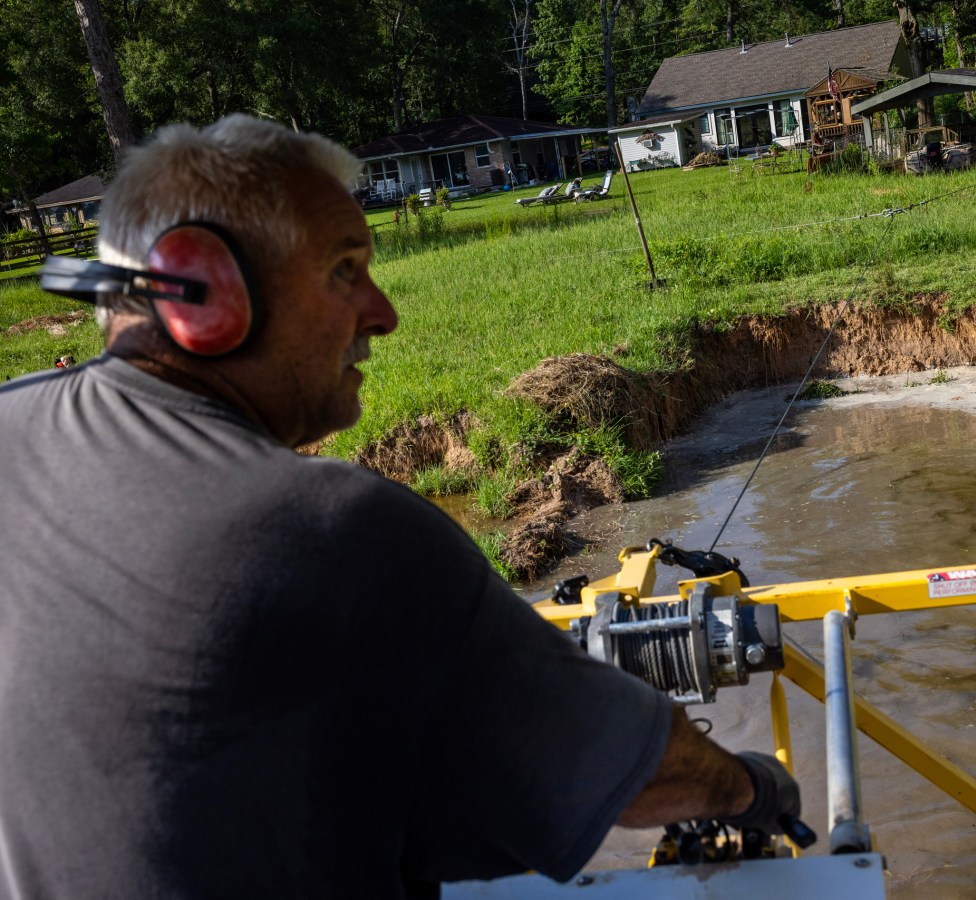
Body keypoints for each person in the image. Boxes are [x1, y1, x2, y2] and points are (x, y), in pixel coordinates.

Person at [0, 115, 800, 898]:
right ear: (201, 289)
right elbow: (635, 774)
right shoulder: (335, 526)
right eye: (346, 269)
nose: (383, 312)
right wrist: (753, 788)